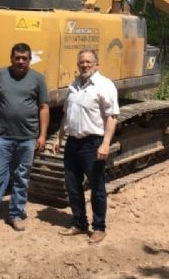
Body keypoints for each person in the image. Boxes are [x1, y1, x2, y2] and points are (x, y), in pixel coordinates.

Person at [0, 42, 50, 233]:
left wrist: (42, 135)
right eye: (17, 58)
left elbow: (44, 107)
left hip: (28, 137)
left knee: (21, 178)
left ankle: (16, 215)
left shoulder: (38, 79)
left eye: (24, 58)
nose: (21, 61)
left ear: (30, 59)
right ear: (11, 58)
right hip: (3, 137)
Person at [53, 49, 119, 244]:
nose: (85, 65)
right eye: (82, 62)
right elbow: (66, 114)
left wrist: (106, 143)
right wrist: (59, 138)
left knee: (97, 187)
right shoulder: (74, 86)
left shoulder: (104, 85)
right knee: (72, 186)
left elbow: (112, 116)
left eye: (89, 62)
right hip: (73, 143)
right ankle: (79, 223)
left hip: (93, 144)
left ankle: (99, 227)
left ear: (96, 65)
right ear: (78, 64)